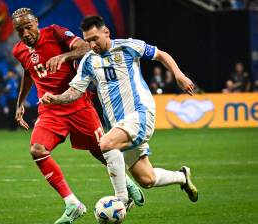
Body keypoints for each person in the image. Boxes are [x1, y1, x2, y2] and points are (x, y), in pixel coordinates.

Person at [40, 15, 199, 206]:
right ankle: (182, 177)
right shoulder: (89, 61)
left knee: (105, 143)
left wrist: (179, 75)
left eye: (94, 39)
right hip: (120, 125)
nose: (91, 45)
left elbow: (161, 54)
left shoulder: (127, 46)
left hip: (140, 113)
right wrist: (56, 99)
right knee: (146, 179)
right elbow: (75, 91)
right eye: (88, 41)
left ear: (105, 32)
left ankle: (122, 199)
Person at [11, 8, 143, 224]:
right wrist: (20, 104)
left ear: (36, 22)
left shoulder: (54, 33)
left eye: (28, 27)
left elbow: (84, 48)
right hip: (50, 109)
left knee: (101, 148)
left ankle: (126, 182)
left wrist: (63, 57)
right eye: (20, 30)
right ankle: (72, 204)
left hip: (77, 103)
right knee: (37, 149)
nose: (25, 33)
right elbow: (28, 72)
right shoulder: (18, 51)